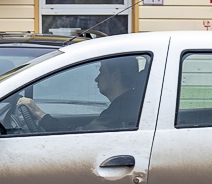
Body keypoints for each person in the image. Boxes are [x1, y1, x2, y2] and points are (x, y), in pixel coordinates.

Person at [16, 56, 146, 132]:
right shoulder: (126, 103)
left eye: (101, 72)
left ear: (116, 75)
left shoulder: (121, 110)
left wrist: (39, 113)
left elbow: (79, 135)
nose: (96, 78)